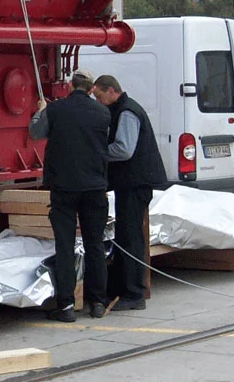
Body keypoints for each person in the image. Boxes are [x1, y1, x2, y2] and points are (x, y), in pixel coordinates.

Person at [29, 69, 112, 322]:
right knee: (95, 245)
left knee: (64, 247)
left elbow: (35, 132)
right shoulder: (103, 113)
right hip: (95, 187)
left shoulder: (56, 110)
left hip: (64, 187)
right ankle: (97, 302)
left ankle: (65, 305)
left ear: (69, 86)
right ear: (90, 89)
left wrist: (41, 110)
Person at [91, 75, 168, 311]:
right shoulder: (123, 109)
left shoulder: (126, 112)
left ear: (112, 91)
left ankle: (134, 293)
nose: (99, 102)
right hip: (131, 183)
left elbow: (124, 150)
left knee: (131, 237)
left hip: (135, 183)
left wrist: (95, 151)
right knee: (126, 235)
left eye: (100, 96)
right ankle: (126, 288)